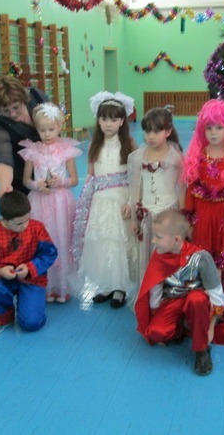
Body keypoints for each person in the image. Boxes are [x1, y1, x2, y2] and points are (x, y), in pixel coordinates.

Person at [135, 210, 224, 376]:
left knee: (196, 299)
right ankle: (180, 328)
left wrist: (211, 327)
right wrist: (157, 315)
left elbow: (217, 295)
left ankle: (202, 350)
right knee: (156, 332)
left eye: (158, 237)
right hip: (172, 301)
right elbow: (155, 288)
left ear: (176, 239)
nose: (154, 241)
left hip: (196, 302)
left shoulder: (201, 258)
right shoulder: (159, 256)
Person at [182, 99, 224, 322]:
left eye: (219, 127)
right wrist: (189, 221)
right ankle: (202, 307)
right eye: (209, 128)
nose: (213, 133)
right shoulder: (197, 156)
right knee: (201, 264)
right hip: (202, 219)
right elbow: (190, 190)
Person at [72, 91, 138, 308]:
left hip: (121, 199)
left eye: (114, 119)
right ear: (98, 120)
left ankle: (120, 287)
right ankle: (107, 284)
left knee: (119, 242)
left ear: (122, 121)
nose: (109, 124)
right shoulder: (94, 144)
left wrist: (131, 201)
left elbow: (136, 176)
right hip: (100, 201)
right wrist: (87, 201)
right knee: (103, 241)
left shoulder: (129, 144)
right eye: (104, 118)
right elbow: (91, 175)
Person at [18, 103, 82, 303]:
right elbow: (25, 180)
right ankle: (46, 285)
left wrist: (60, 182)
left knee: (61, 239)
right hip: (39, 202)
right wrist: (36, 185)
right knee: (42, 241)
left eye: (51, 129)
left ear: (59, 127)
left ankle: (62, 286)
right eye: (42, 130)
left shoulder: (66, 150)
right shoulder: (32, 151)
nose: (46, 134)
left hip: (60, 202)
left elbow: (74, 180)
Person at [0, 191, 58, 337]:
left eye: (27, 219)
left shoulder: (37, 228)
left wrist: (30, 267)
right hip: (4, 279)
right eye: (19, 223)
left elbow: (50, 253)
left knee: (31, 324)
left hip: (33, 279)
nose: (25, 225)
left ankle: (31, 306)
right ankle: (4, 317)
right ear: (3, 219)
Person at [128, 106, 185, 283]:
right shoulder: (138, 156)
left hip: (168, 213)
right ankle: (148, 290)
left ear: (168, 131)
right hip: (146, 214)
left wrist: (182, 218)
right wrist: (134, 218)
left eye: (156, 131)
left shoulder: (175, 157)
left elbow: (182, 188)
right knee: (147, 255)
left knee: (166, 256)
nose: (150, 136)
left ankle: (167, 291)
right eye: (147, 131)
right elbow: (136, 188)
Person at [0, 76, 49, 197]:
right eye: (5, 110)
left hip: (49, 171)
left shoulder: (37, 97)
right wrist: (5, 184)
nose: (12, 114)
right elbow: (4, 157)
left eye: (16, 107)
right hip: (22, 179)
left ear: (24, 100)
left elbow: (54, 122)